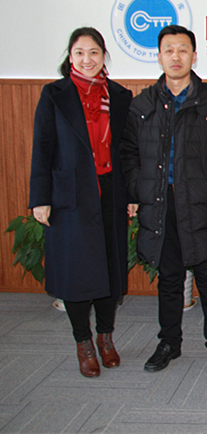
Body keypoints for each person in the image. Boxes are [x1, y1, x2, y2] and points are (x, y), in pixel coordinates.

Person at [121, 25, 207, 374]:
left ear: (194, 56)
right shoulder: (143, 104)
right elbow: (129, 153)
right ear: (159, 57)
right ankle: (169, 342)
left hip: (200, 203)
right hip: (161, 203)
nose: (175, 56)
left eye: (183, 49)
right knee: (169, 279)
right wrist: (139, 189)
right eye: (168, 50)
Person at [29, 27, 132, 378]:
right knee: (75, 273)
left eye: (94, 52)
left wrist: (132, 195)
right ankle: (83, 342)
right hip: (69, 196)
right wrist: (40, 198)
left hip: (110, 192)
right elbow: (42, 147)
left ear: (104, 56)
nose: (87, 59)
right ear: (70, 57)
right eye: (79, 53)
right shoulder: (54, 94)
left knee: (108, 268)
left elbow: (127, 151)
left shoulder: (119, 96)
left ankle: (105, 336)